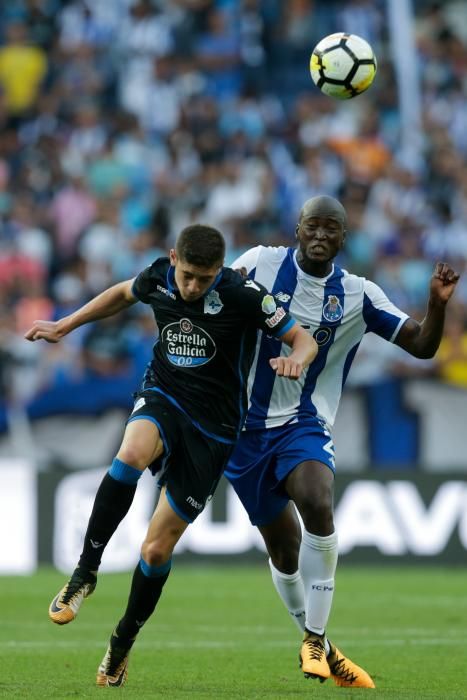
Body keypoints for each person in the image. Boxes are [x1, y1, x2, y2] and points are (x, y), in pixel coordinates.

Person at [25, 224, 317, 687]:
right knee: (130, 454)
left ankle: (122, 641)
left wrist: (297, 358)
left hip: (215, 429)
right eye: (186, 275)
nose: (192, 287)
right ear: (172, 257)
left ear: (219, 271)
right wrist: (66, 324)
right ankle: (85, 571)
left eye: (204, 279)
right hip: (164, 393)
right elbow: (123, 293)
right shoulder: (159, 275)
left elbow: (302, 338)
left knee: (156, 549)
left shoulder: (243, 293)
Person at [224, 195, 460, 688]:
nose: (321, 235)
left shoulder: (358, 293)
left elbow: (420, 345)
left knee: (317, 500)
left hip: (304, 422)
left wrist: (436, 306)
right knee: (284, 552)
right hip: (244, 430)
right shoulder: (257, 263)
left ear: (343, 238)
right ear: (297, 228)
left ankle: (313, 636)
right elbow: (214, 307)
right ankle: (325, 649)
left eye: (332, 228)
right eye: (313, 225)